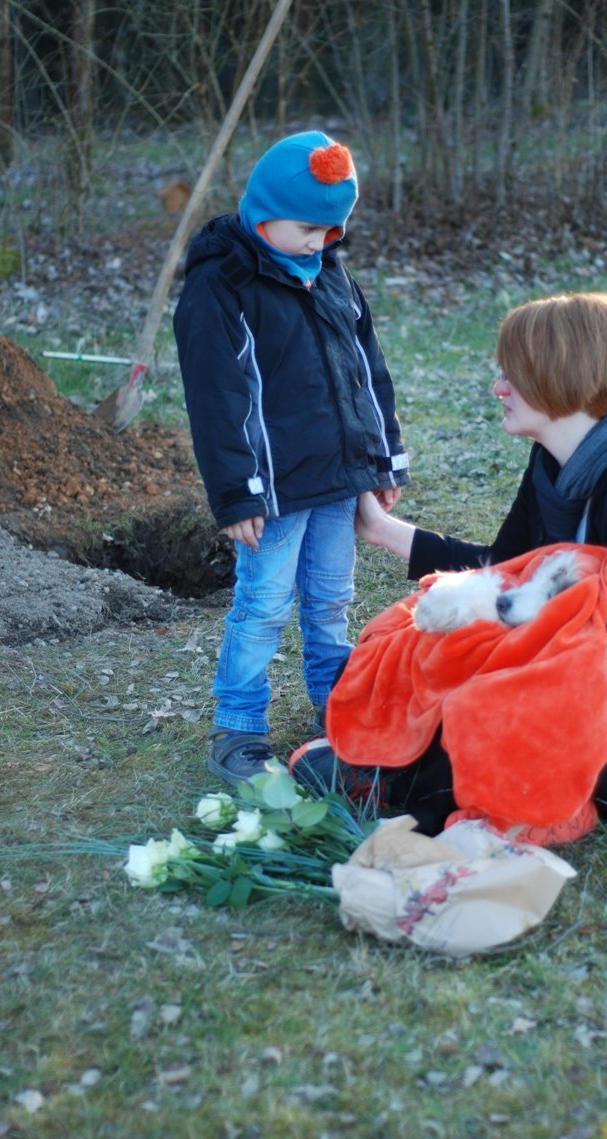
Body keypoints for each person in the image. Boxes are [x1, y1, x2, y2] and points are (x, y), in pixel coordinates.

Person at [295, 291, 607, 833]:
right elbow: (503, 569)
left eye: (514, 374)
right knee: (423, 633)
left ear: (563, 374)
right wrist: (385, 533)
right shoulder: (552, 460)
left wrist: (502, 659)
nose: (500, 387)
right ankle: (388, 762)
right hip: (565, 686)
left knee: (487, 703)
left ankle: (405, 787)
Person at [174, 130, 409, 784]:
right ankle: (239, 725)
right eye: (309, 227)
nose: (321, 242)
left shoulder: (329, 274)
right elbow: (216, 396)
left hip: (336, 478)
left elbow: (366, 370)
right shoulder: (222, 284)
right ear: (265, 209)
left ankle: (338, 707)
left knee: (332, 596)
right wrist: (237, 492)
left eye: (333, 231)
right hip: (272, 490)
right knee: (264, 603)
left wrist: (382, 457)